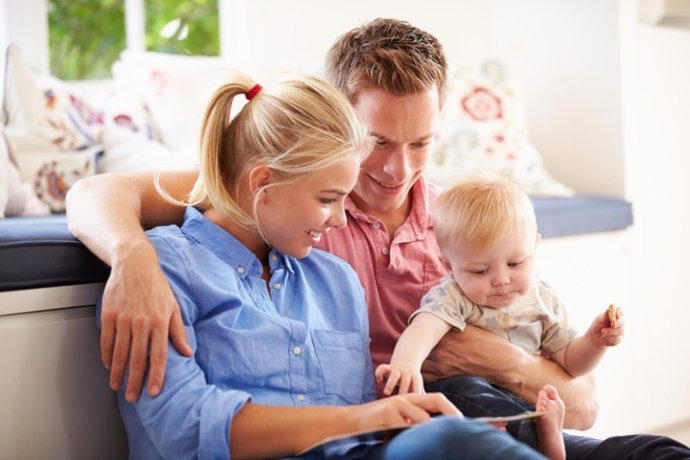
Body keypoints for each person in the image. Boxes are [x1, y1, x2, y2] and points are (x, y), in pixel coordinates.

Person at [66, 18, 690, 459]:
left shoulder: (457, 223)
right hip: (403, 429)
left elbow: (579, 403)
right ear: (338, 125)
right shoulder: (274, 203)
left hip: (455, 415)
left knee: (650, 450)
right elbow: (99, 191)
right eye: (377, 143)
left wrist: (498, 361)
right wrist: (132, 255)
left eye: (420, 143)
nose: (398, 169)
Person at [106, 70, 544, 459]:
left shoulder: (334, 281)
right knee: (449, 442)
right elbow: (184, 430)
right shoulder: (165, 268)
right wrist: (365, 420)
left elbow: (363, 436)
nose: (338, 218)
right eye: (328, 199)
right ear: (263, 183)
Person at [376, 177, 627, 459]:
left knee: (648, 448)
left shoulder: (541, 300)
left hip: (518, 402)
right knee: (470, 389)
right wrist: (406, 364)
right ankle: (543, 443)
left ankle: (545, 438)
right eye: (480, 271)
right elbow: (425, 327)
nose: (502, 280)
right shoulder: (454, 296)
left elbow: (571, 362)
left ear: (535, 246)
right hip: (461, 400)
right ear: (449, 265)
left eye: (515, 264)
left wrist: (595, 342)